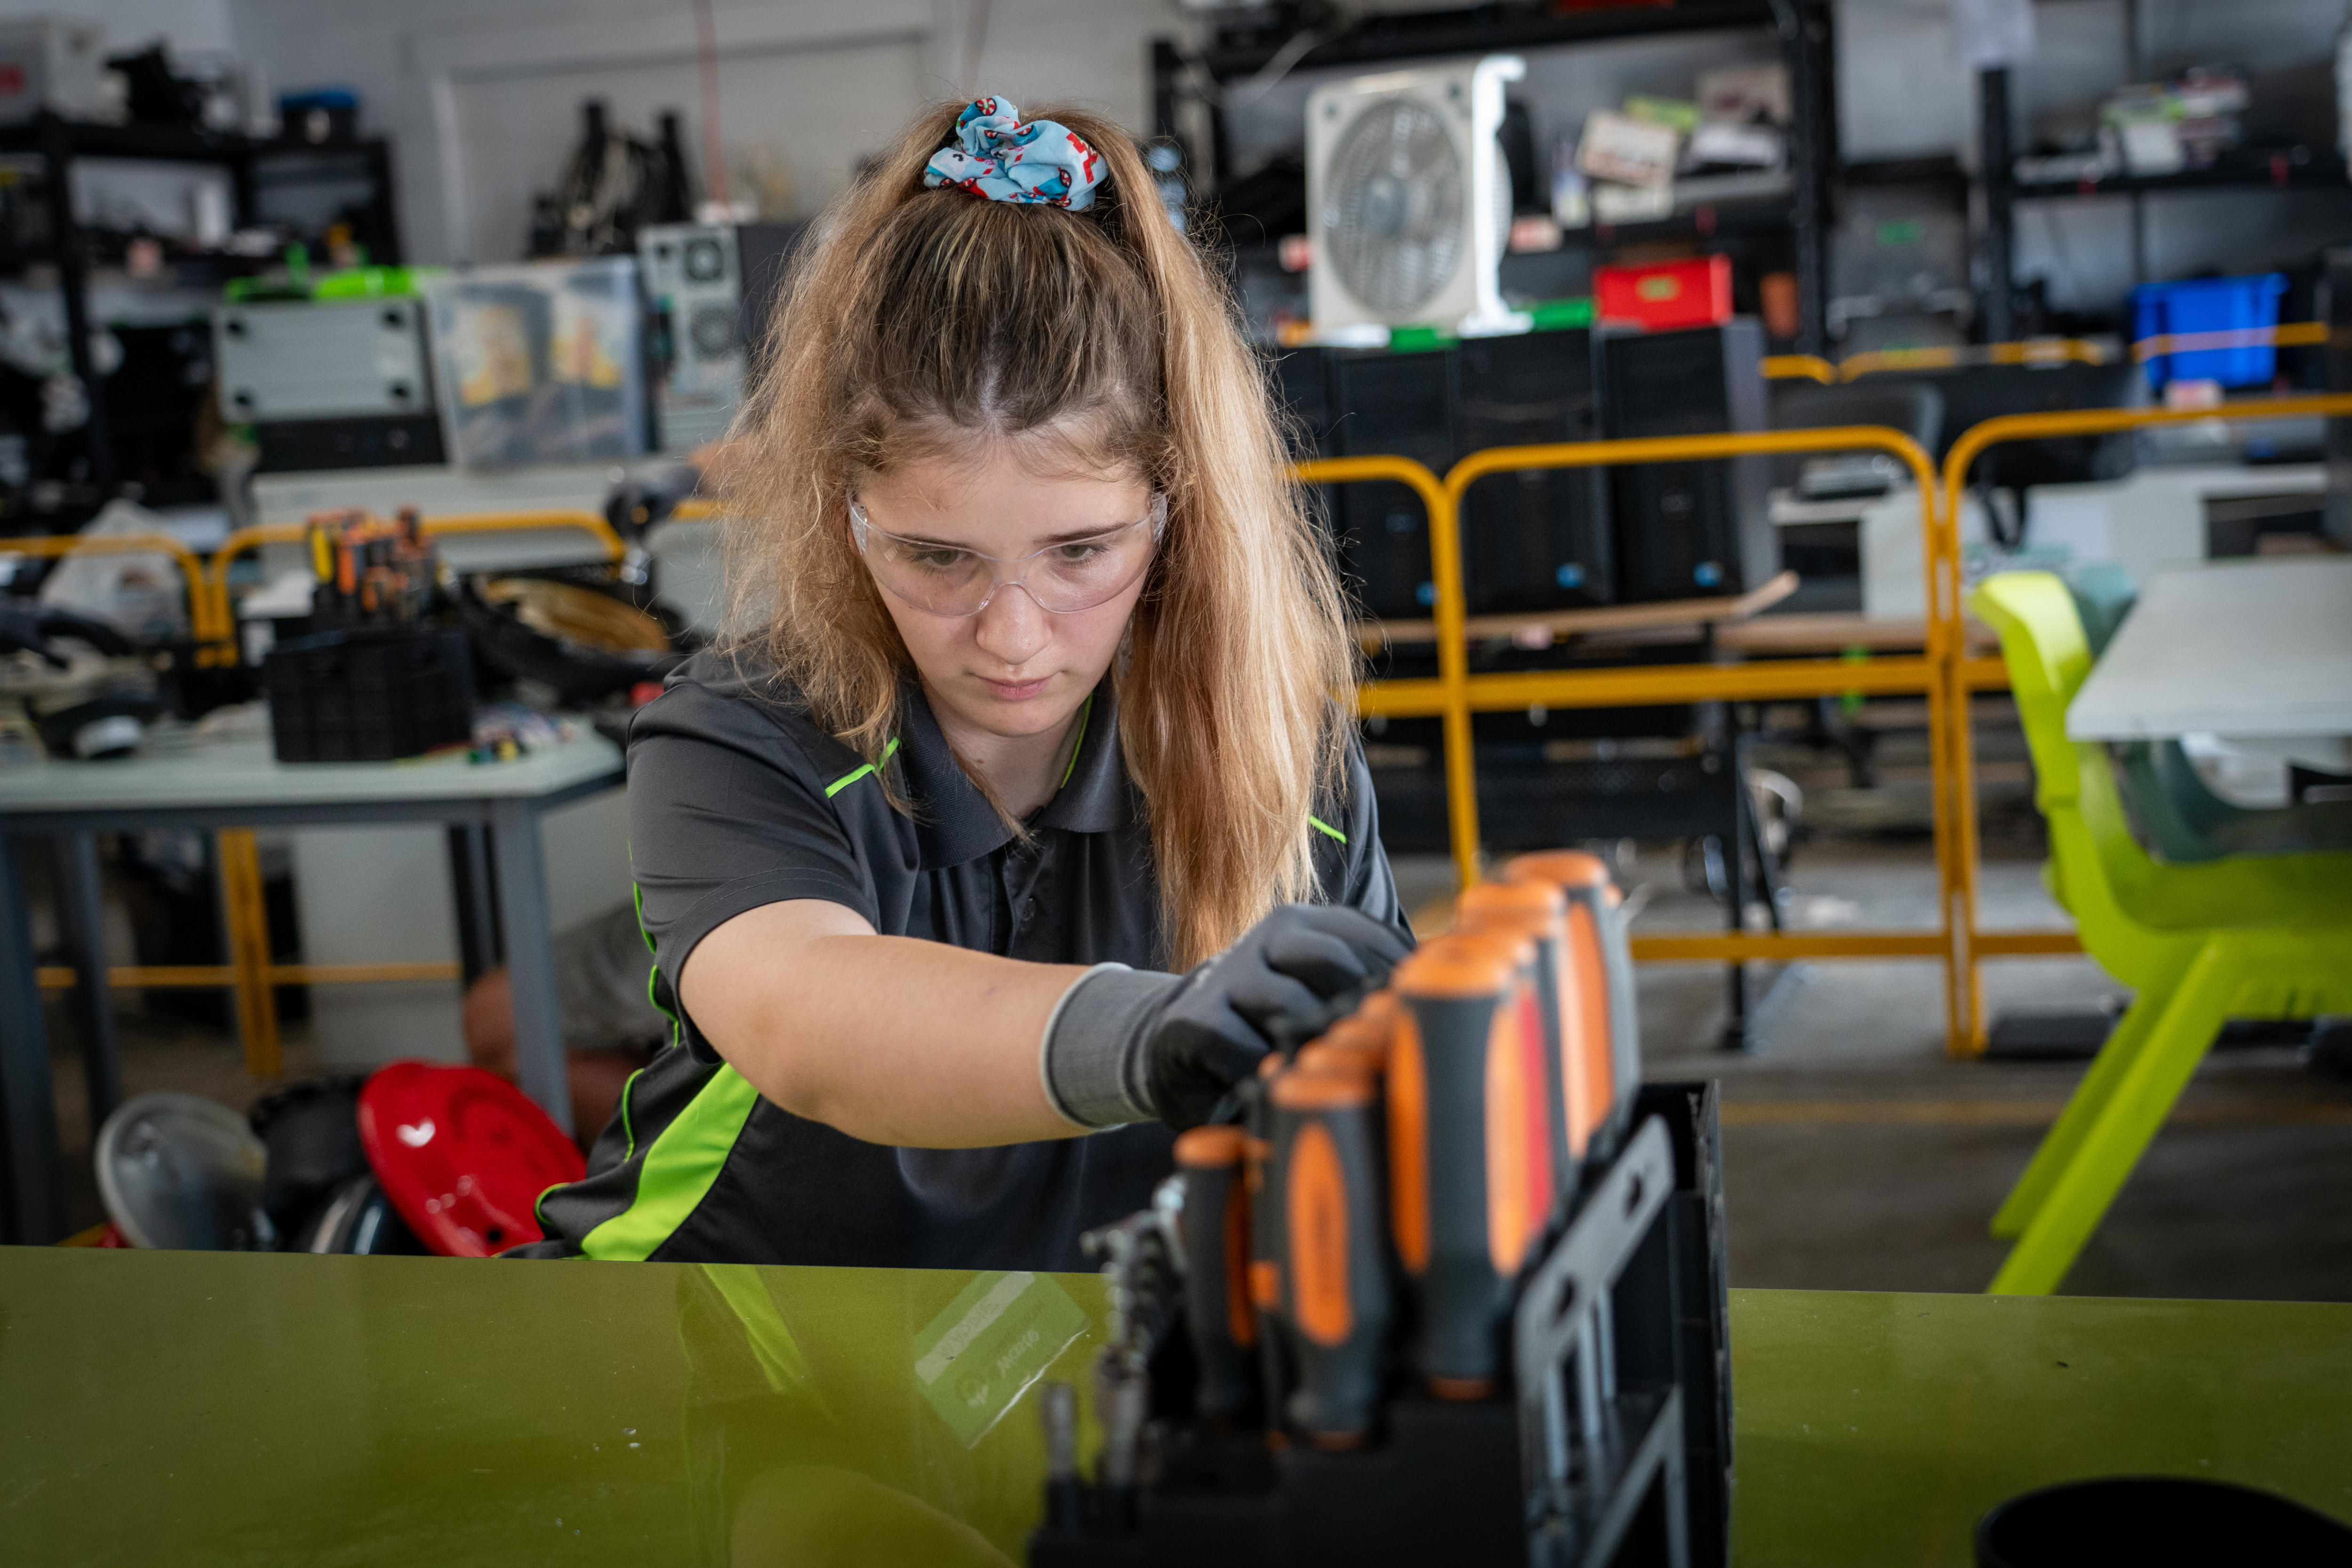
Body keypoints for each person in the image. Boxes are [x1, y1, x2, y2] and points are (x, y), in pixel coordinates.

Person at [518, 98, 1410, 1269]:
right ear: (848, 517)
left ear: (1173, 509)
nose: (1013, 636)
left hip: (1054, 1356)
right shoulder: (736, 738)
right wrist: (1149, 1032)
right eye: (938, 558)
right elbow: (808, 1019)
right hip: (695, 1336)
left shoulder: (1278, 758)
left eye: (1080, 551)